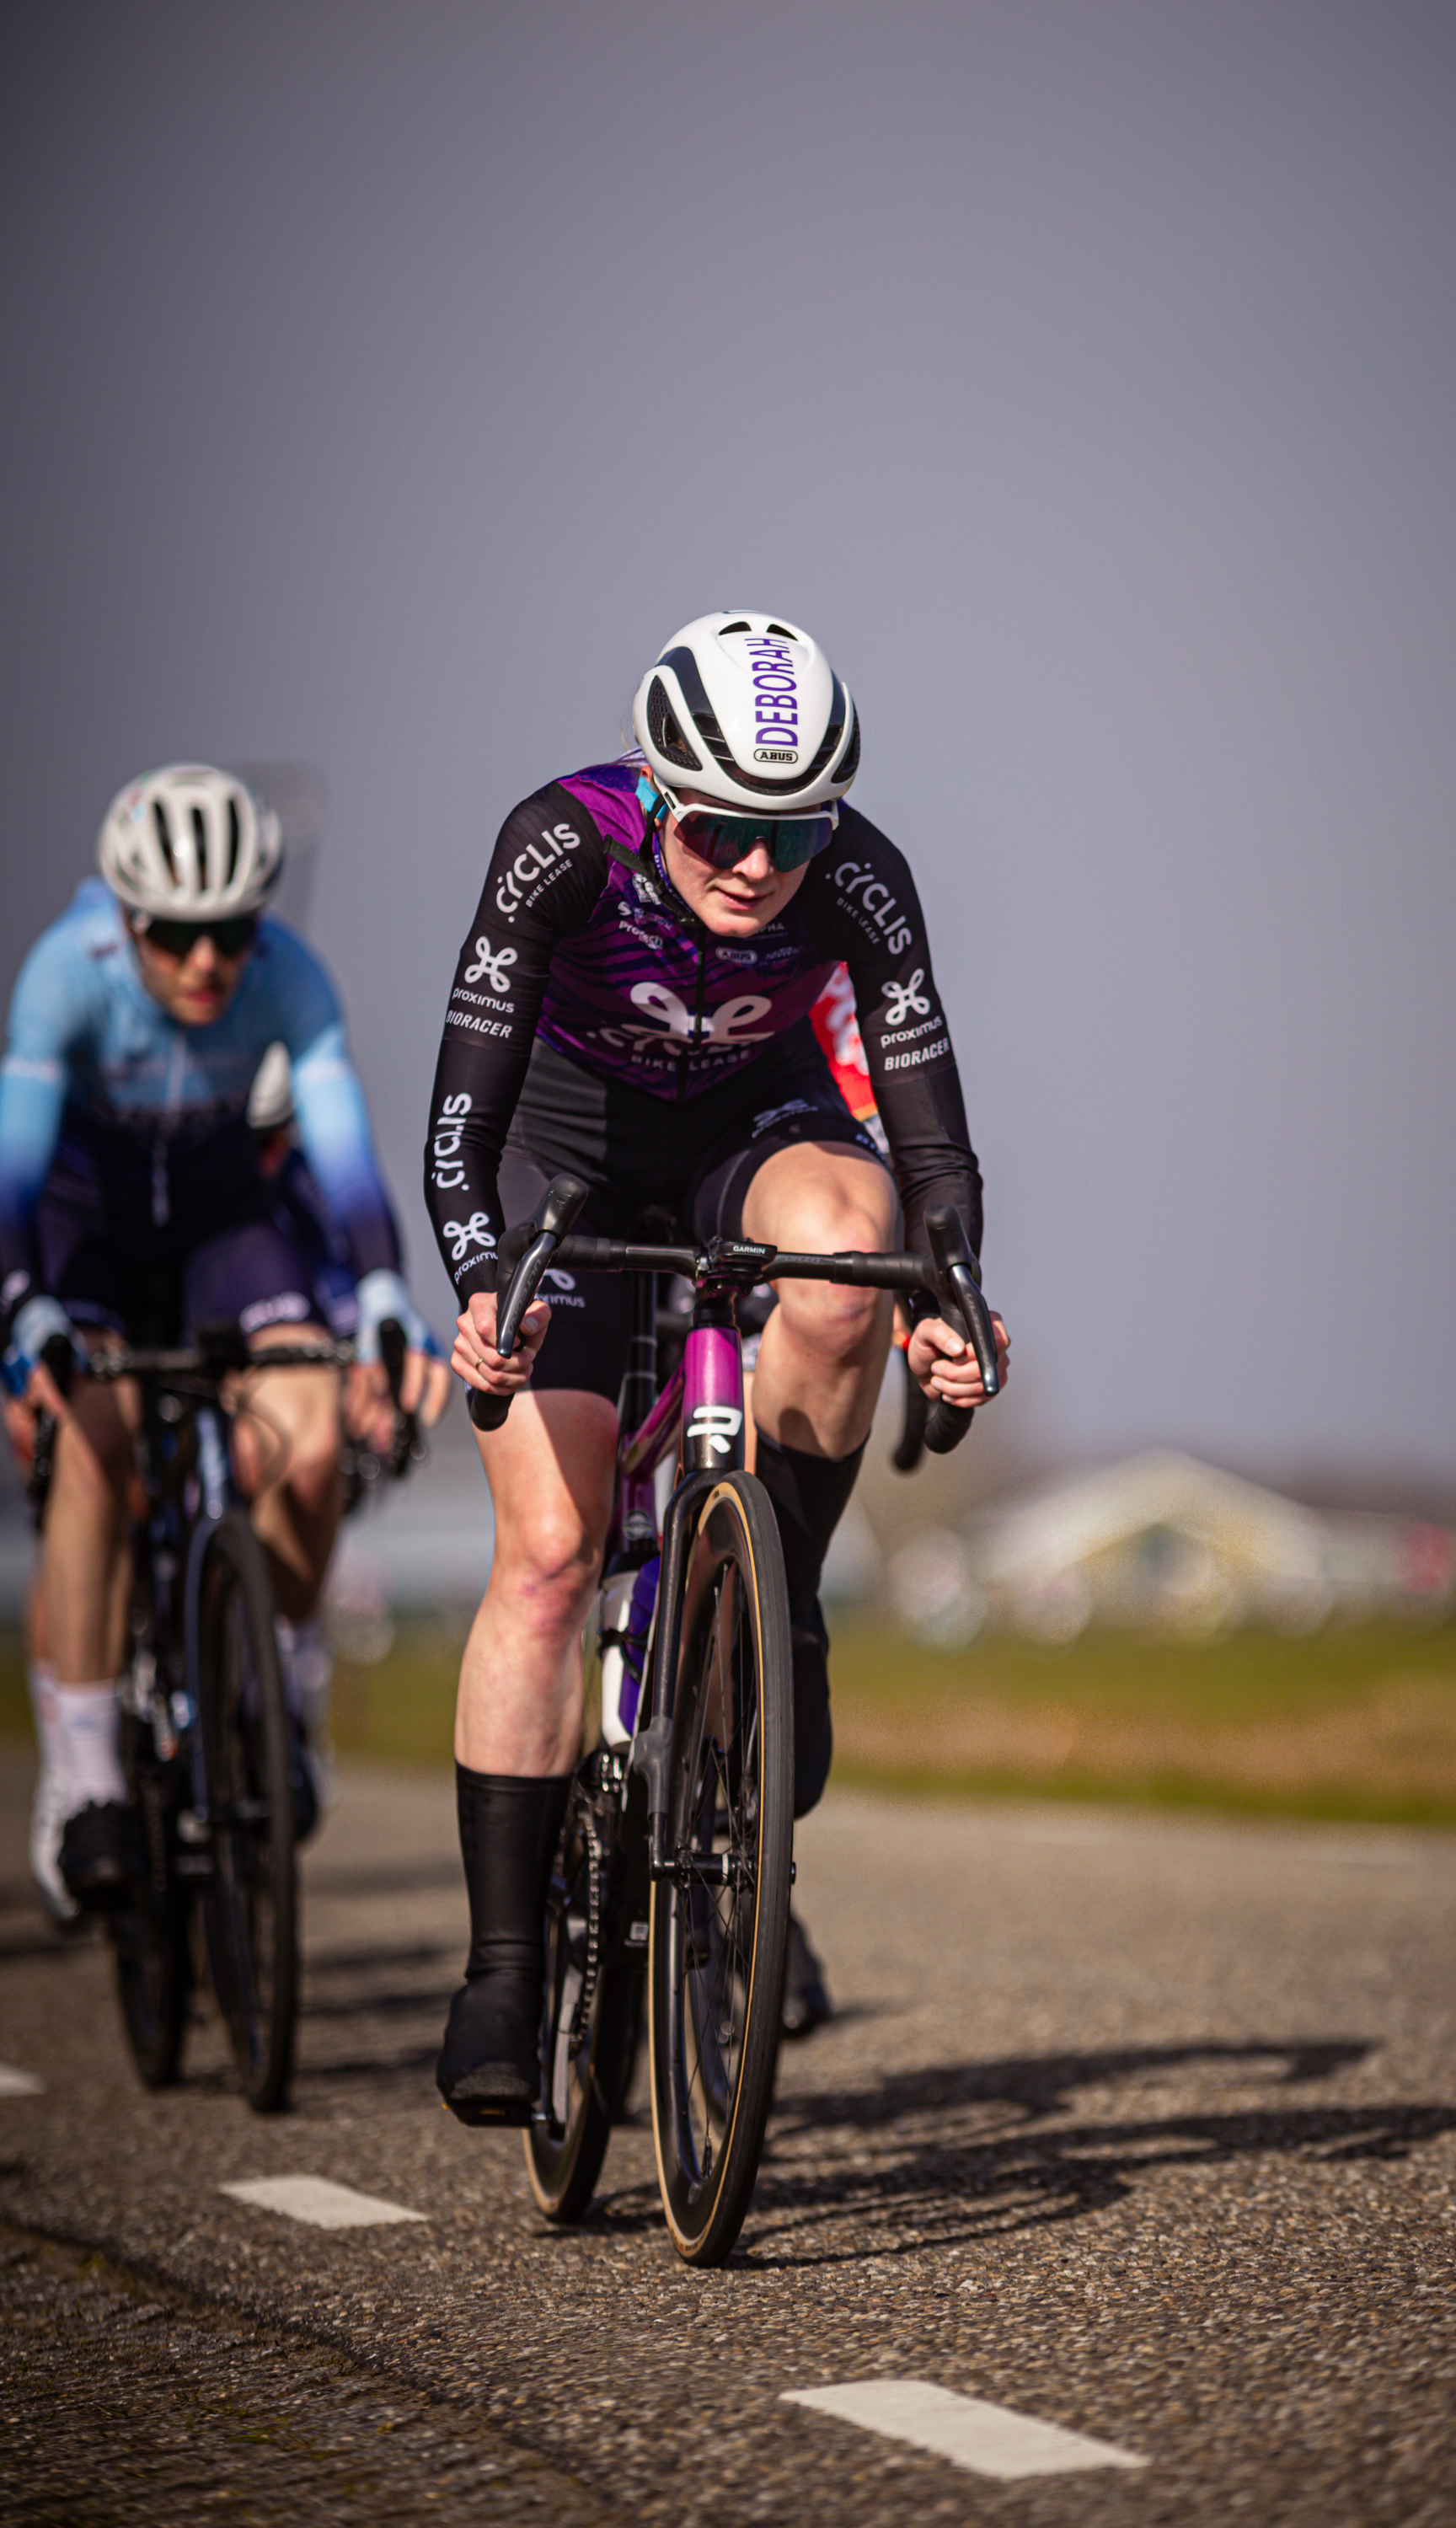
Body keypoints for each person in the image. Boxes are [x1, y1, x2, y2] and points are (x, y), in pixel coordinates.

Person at [424, 610, 1009, 2120]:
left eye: (795, 830)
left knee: (849, 1248)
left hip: (752, 1136)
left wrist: (949, 1304)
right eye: (725, 829)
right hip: (561, 1155)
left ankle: (778, 1597)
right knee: (549, 1558)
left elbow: (933, 1144)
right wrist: (484, 1281)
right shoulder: (560, 844)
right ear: (655, 789)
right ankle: (500, 1966)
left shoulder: (863, 878)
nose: (761, 865)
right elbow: (460, 1130)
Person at [0, 763, 447, 1923]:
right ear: (128, 919)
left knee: (306, 1447)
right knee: (93, 1447)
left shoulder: (292, 980)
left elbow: (342, 1156)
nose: (207, 963)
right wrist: (22, 1307)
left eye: (233, 933)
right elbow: (14, 1170)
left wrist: (386, 1290)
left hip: (219, 1231)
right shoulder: (66, 975)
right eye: (178, 936)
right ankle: (86, 1782)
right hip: (83, 1229)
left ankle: (283, 1700)